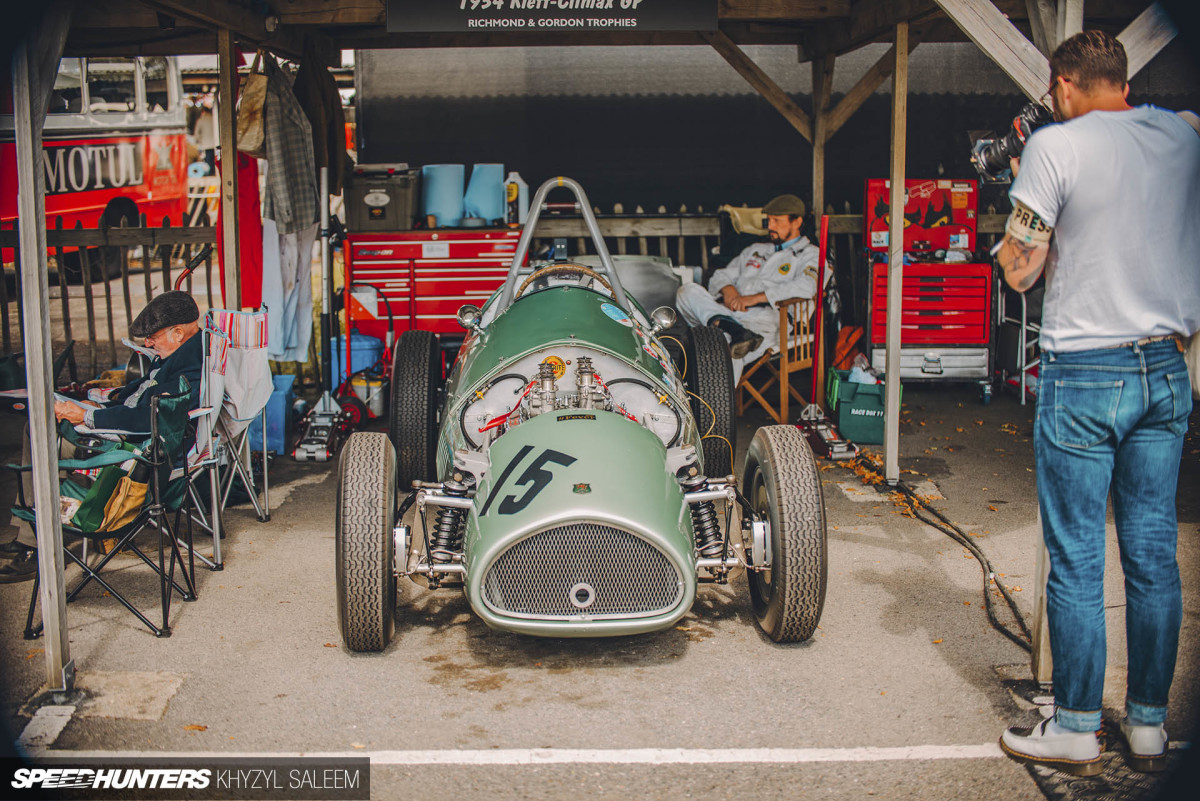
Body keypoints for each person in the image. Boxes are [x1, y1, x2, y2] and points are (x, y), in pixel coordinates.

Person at [995, 30, 1200, 777]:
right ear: (1123, 80)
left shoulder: (1057, 144)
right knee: (1153, 554)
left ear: (1063, 84)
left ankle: (1077, 726)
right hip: (1166, 366)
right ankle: (1148, 726)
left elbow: (1021, 272)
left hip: (1086, 369)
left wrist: (1020, 183)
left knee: (1078, 554)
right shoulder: (1181, 136)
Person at [0, 291, 204, 583]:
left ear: (179, 332)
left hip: (139, 451)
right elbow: (144, 392)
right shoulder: (181, 351)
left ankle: (36, 545)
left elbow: (150, 418)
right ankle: (27, 534)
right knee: (42, 421)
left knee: (42, 432)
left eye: (153, 337)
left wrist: (86, 416)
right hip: (133, 432)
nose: (148, 343)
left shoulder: (188, 365)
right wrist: (104, 402)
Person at [675, 194, 822, 359]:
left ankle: (733, 332)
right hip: (729, 311)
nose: (770, 226)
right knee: (687, 291)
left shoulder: (811, 254)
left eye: (777, 221)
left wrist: (754, 299)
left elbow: (808, 286)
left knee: (726, 347)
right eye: (769, 220)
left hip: (767, 320)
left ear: (797, 222)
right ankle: (729, 326)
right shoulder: (756, 249)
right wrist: (729, 291)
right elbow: (721, 275)